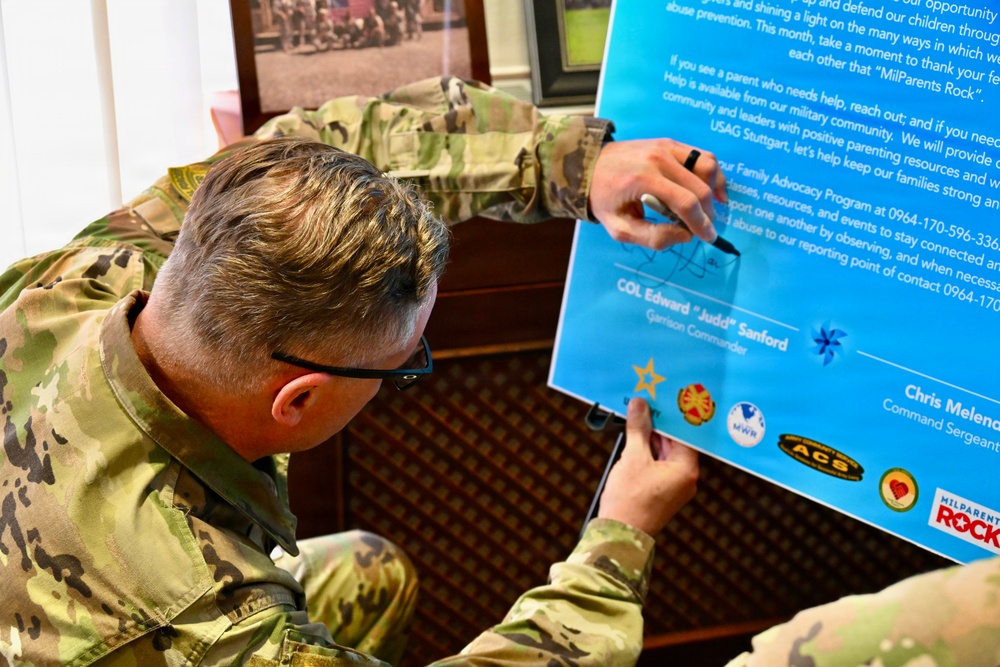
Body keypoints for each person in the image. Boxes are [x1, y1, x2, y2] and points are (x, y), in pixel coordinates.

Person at [0, 77, 716, 665]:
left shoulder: (89, 275)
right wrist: (620, 537)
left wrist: (575, 164)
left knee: (369, 570)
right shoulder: (208, 615)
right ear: (299, 399)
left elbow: (335, 148)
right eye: (400, 367)